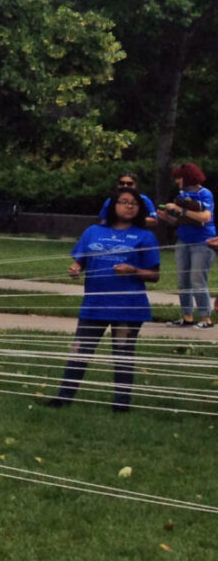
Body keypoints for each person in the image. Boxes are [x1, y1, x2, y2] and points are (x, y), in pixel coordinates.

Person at [50, 188, 160, 412]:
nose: (129, 206)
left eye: (134, 204)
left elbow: (154, 275)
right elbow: (81, 260)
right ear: (113, 206)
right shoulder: (93, 232)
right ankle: (63, 398)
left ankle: (121, 404)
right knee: (80, 350)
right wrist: (76, 267)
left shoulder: (145, 236)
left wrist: (132, 270)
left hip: (127, 308)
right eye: (123, 202)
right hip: (94, 305)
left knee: (122, 354)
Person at [158, 163, 214, 327]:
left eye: (179, 178)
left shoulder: (205, 194)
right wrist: (167, 218)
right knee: (183, 281)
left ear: (188, 178)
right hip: (183, 240)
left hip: (202, 242)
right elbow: (182, 220)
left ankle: (206, 318)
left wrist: (180, 209)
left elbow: (205, 217)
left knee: (197, 279)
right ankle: (187, 316)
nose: (177, 181)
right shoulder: (182, 194)